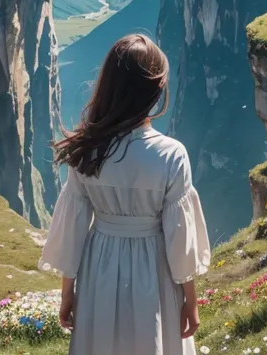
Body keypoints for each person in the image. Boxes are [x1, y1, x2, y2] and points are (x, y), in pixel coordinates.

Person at [39, 34, 210, 355]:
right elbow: (179, 236)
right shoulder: (171, 154)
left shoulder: (87, 150)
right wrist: (190, 299)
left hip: (100, 261)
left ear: (108, 86)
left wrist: (68, 292)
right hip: (154, 264)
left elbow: (73, 227)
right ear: (156, 91)